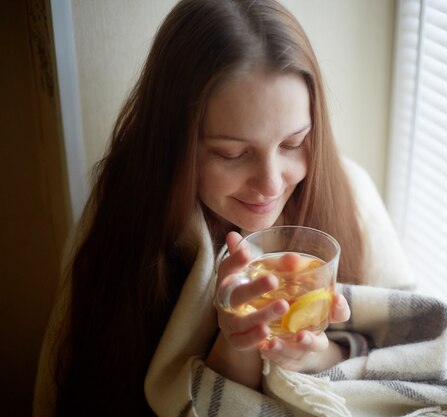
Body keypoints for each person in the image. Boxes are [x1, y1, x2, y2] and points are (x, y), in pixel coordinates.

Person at [33, 1, 416, 416]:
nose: (270, 184)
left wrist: (310, 357)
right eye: (232, 154)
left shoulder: (351, 194)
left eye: (292, 144)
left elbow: (414, 359)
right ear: (172, 146)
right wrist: (238, 344)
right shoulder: (120, 223)